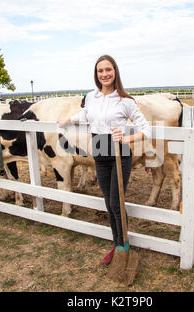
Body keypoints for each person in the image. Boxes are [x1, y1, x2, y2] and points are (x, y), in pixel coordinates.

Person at [58, 54, 150, 265]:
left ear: (115, 71)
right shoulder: (91, 97)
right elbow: (84, 116)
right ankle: (116, 243)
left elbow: (146, 128)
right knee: (108, 203)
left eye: (108, 70)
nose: (104, 74)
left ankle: (123, 246)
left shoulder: (125, 101)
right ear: (96, 74)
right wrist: (67, 120)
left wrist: (127, 137)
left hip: (119, 153)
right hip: (99, 151)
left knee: (117, 203)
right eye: (100, 71)